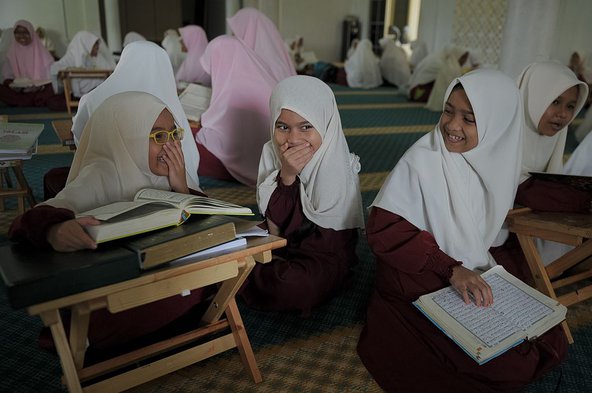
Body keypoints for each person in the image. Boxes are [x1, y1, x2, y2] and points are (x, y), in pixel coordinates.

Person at [357, 69, 568, 392]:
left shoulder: (498, 161)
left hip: (465, 266)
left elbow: (482, 237)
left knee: (551, 335)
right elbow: (384, 230)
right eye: (448, 111)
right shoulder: (424, 160)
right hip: (417, 272)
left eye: (469, 118)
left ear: (498, 125)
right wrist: (450, 267)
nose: (452, 126)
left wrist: (470, 268)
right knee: (508, 364)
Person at [9, 91, 210, 356]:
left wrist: (181, 188)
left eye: (174, 134)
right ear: (129, 137)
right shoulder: (102, 173)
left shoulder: (168, 174)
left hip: (158, 272)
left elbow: (206, 222)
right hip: (118, 284)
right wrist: (55, 230)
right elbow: (26, 221)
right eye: (158, 136)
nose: (170, 146)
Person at [240, 75, 364, 316]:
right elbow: (271, 217)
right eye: (283, 127)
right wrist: (286, 175)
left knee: (296, 286)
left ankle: (247, 273)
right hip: (281, 234)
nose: (294, 140)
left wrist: (274, 242)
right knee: (228, 243)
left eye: (306, 127)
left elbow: (324, 236)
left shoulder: (336, 163)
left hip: (320, 250)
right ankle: (252, 267)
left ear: (325, 125)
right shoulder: (272, 150)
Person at [71, 40, 201, 192]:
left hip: (108, 169)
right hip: (166, 174)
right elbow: (190, 158)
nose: (169, 141)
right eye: (159, 136)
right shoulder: (168, 104)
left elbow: (82, 139)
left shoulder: (92, 98)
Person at [511, 61, 591, 266]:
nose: (563, 114)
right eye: (555, 101)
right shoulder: (501, 131)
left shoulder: (554, 135)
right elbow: (518, 187)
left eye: (570, 106)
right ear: (533, 96)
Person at [195, 35, 276, 187]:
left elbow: (216, 125)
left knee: (193, 138)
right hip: (277, 161)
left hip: (251, 160)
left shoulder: (232, 89)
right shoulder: (267, 81)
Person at [227, 7, 296, 82]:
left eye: (235, 33)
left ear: (249, 33)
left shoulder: (260, 70)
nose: (232, 38)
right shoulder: (277, 65)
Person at [0, 20, 55, 107]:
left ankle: (27, 101)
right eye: (17, 33)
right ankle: (34, 101)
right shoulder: (10, 53)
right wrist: (16, 83)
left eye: (25, 32)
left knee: (53, 88)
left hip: (40, 90)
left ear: (31, 33)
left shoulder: (43, 53)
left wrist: (39, 85)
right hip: (20, 91)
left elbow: (52, 76)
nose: (22, 36)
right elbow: (6, 77)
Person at [50, 31, 116, 98]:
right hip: (79, 86)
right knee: (102, 82)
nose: (98, 47)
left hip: (90, 83)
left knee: (105, 81)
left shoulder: (91, 56)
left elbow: (108, 68)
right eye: (95, 44)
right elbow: (54, 68)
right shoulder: (71, 56)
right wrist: (70, 69)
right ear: (87, 44)